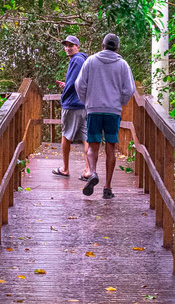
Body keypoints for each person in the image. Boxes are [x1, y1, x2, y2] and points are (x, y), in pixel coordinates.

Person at [74, 33, 136, 199]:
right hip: (112, 110)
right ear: (117, 47)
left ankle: (93, 172)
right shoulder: (123, 65)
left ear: (102, 45)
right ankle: (107, 188)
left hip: (94, 109)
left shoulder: (91, 61)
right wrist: (119, 102)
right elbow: (129, 90)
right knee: (110, 147)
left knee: (93, 144)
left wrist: (87, 100)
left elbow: (79, 84)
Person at [54, 35, 92, 180]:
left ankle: (65, 169)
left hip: (72, 104)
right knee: (86, 137)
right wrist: (66, 84)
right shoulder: (83, 60)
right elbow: (78, 81)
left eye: (71, 45)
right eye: (66, 45)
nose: (68, 48)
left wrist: (65, 91)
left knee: (66, 135)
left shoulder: (76, 60)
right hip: (82, 103)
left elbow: (74, 83)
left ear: (77, 47)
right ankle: (88, 169)